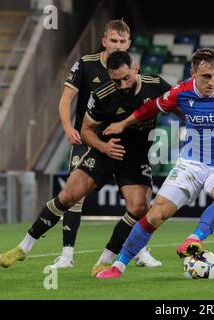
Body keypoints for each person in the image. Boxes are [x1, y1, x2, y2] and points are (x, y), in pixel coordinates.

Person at [95, 48, 214, 279]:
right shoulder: (180, 93)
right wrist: (123, 124)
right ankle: (118, 266)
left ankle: (194, 239)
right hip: (190, 164)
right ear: (193, 73)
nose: (212, 82)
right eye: (206, 76)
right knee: (155, 215)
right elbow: (150, 108)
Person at [0, 51, 171, 274]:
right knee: (68, 196)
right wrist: (103, 147)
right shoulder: (103, 94)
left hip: (135, 158)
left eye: (125, 78)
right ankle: (23, 247)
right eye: (115, 80)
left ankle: (105, 260)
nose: (121, 84)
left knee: (139, 208)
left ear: (135, 68)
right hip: (104, 152)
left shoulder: (156, 85)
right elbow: (86, 130)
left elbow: (177, 104)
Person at [53, 19, 160, 268]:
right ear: (104, 41)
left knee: (135, 200)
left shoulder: (131, 70)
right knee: (73, 196)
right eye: (113, 40)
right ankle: (66, 255)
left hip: (122, 141)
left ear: (129, 43)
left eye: (122, 41)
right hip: (88, 138)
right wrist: (69, 128)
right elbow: (65, 100)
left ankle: (139, 251)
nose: (118, 45)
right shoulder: (86, 65)